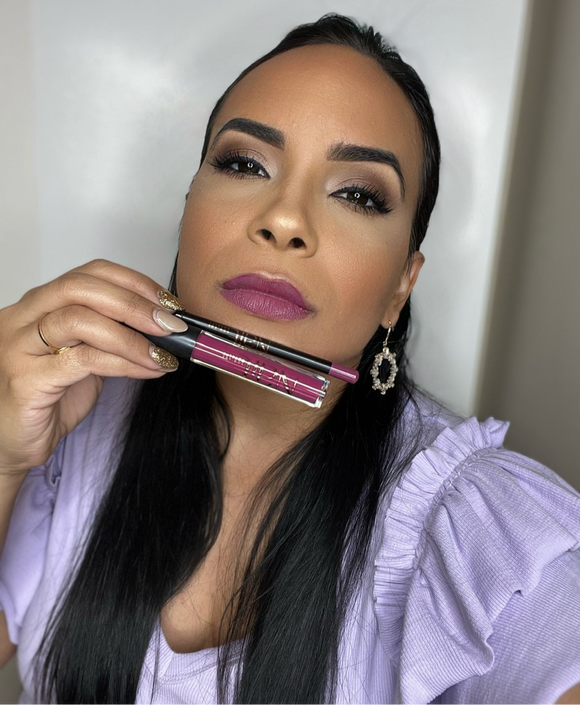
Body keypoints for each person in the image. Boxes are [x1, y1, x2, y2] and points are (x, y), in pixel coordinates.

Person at [0, 13, 579, 705]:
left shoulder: (479, 533)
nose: (285, 220)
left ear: (401, 286)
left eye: (357, 195)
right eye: (246, 164)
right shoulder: (79, 415)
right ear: (188, 210)